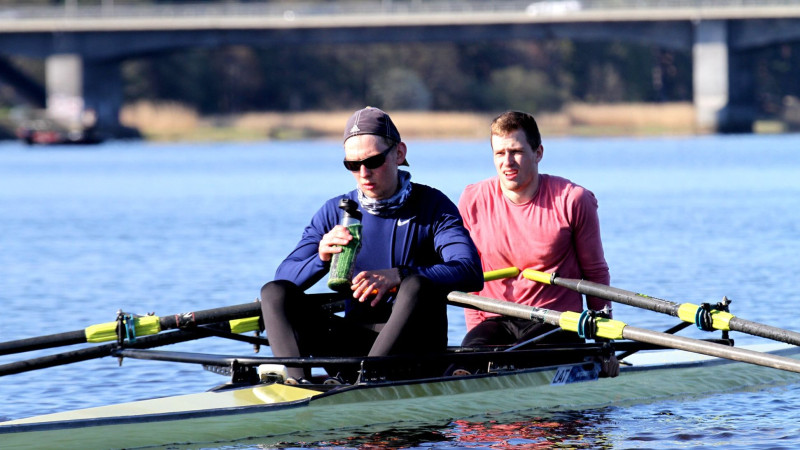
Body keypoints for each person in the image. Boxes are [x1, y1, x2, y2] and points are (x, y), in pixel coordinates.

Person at [260, 106, 484, 384]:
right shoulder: (335, 212)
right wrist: (321, 258)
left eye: (374, 161)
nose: (364, 173)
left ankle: (367, 382)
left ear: (399, 153)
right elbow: (284, 278)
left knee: (416, 284)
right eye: (352, 165)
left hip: (415, 349)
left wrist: (399, 275)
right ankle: (297, 386)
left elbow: (470, 271)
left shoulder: (433, 206)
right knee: (273, 293)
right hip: (353, 344)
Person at [457, 110, 618, 377]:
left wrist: (605, 344)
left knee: (520, 359)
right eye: (499, 153)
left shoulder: (573, 200)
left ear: (538, 153)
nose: (507, 162)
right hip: (497, 320)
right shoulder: (473, 199)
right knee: (463, 363)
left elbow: (596, 275)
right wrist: (474, 333)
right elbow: (471, 278)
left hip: (555, 322)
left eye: (516, 151)